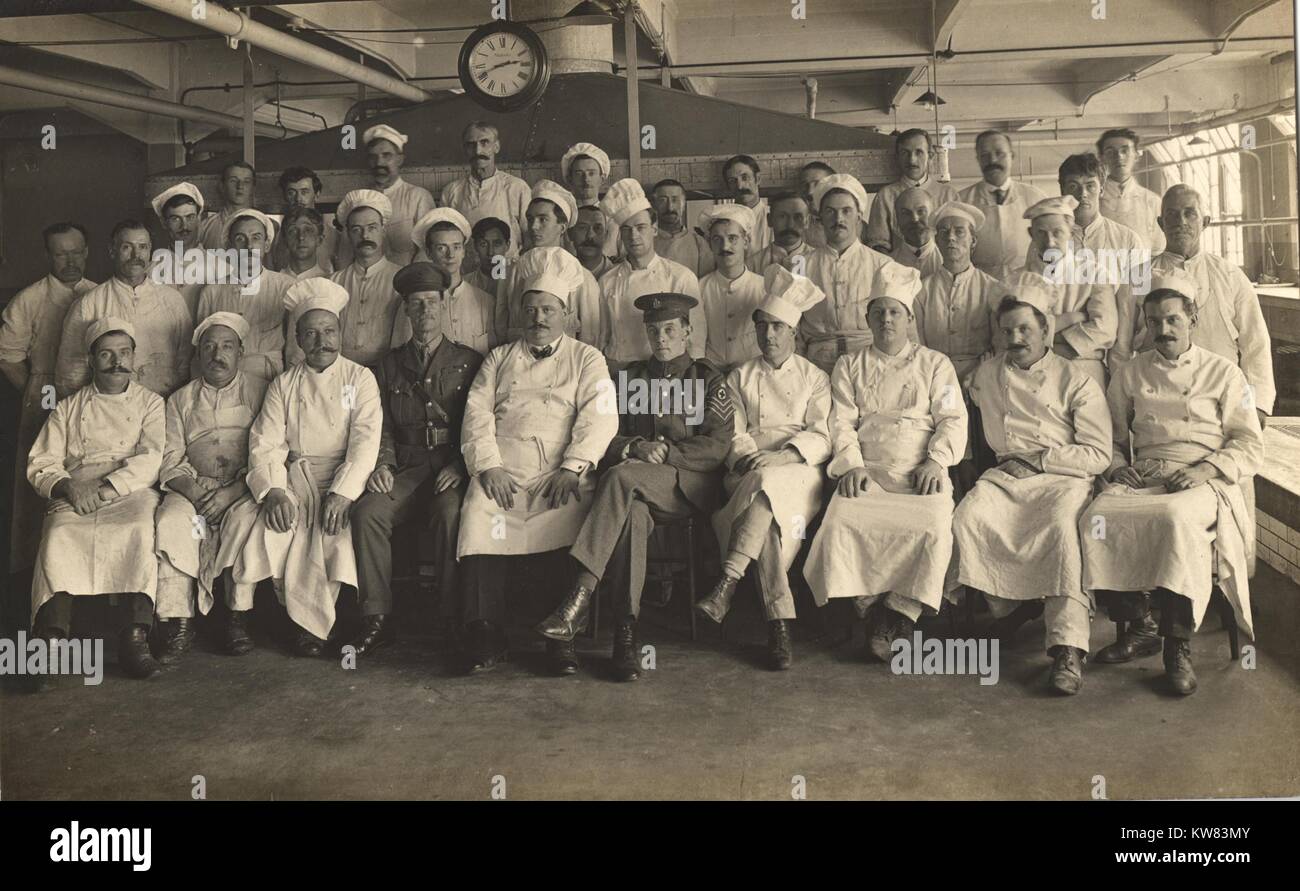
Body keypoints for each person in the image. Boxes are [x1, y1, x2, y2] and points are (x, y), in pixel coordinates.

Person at [537, 293, 733, 681]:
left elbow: (717, 446)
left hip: (687, 488)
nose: (661, 338)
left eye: (670, 330)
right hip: (636, 490)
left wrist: (667, 452)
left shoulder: (708, 379)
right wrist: (633, 446)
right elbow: (603, 435)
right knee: (632, 517)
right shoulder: (629, 379)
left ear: (687, 332)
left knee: (620, 478)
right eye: (654, 330)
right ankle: (626, 637)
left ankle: (579, 596)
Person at [1081, 278, 1262, 695]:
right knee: (1096, 518)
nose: (1164, 329)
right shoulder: (1129, 372)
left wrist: (1207, 469)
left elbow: (1250, 442)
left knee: (1174, 518)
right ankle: (1141, 623)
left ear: (1192, 319)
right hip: (1146, 471)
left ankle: (1176, 645)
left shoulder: (1224, 372)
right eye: (1154, 321)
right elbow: (1108, 435)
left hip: (1203, 476)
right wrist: (1120, 465)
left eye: (1173, 319)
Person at [457, 257, 619, 675]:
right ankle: (485, 632)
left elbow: (599, 416)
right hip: (504, 471)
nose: (538, 318)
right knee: (478, 511)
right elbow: (476, 414)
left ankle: (560, 639)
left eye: (548, 310)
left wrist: (574, 466)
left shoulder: (588, 359)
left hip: (559, 470)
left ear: (566, 314)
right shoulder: (498, 358)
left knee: (570, 512)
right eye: (530, 310)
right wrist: (488, 467)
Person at [953, 285, 1111, 695]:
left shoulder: (1077, 380)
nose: (1015, 339)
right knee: (968, 518)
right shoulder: (986, 375)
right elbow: (959, 411)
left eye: (1025, 329)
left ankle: (1067, 647)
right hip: (1006, 476)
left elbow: (1097, 455)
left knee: (1061, 532)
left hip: (1062, 477)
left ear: (1045, 330)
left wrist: (1041, 460)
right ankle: (1013, 604)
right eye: (1007, 331)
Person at [804, 264, 966, 659]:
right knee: (841, 523)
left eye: (894, 311)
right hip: (869, 471)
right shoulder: (849, 365)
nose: (886, 319)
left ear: (910, 318)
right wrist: (853, 465)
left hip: (919, 472)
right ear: (867, 319)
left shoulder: (935, 364)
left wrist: (936, 461)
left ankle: (899, 612)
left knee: (933, 528)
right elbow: (841, 422)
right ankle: (868, 603)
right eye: (878, 312)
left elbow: (952, 419)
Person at [216, 278, 382, 656]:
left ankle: (312, 627)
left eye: (328, 331)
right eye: (311, 333)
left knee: (331, 535)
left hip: (342, 477)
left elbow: (365, 441)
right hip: (294, 477)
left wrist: (342, 493)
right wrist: (274, 491)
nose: (321, 341)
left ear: (340, 333)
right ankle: (238, 617)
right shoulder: (284, 385)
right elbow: (266, 442)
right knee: (262, 525)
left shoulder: (360, 379)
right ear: (298, 340)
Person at [697, 267, 832, 669]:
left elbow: (823, 435)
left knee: (767, 485)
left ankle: (728, 581)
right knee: (766, 506)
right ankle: (779, 624)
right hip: (748, 465)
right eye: (762, 327)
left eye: (777, 328)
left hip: (800, 471)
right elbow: (731, 433)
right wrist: (751, 457)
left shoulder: (815, 378)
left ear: (793, 332)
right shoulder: (739, 376)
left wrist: (786, 454)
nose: (768, 336)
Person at [349, 263, 484, 658]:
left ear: (443, 307)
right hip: (405, 468)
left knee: (450, 515)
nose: (425, 312)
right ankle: (378, 617)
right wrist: (384, 465)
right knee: (368, 512)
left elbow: (478, 424)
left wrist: (461, 466)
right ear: (406, 311)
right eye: (416, 305)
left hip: (449, 468)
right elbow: (381, 425)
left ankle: (449, 618)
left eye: (431, 303)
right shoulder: (387, 366)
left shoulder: (469, 362)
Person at [27, 317, 166, 680]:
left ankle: (134, 638)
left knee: (139, 531)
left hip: (128, 490)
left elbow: (151, 459)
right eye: (106, 354)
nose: (116, 361)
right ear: (91, 360)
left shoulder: (151, 403)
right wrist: (69, 487)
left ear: (134, 357)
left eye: (123, 353)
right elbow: (41, 461)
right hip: (77, 489)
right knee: (58, 535)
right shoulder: (68, 407)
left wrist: (107, 489)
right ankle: (51, 640)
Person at [153, 312, 268, 661]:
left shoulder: (261, 390)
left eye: (227, 347)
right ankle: (178, 620)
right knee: (173, 522)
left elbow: (270, 448)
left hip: (242, 487)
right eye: (209, 347)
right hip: (193, 490)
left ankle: (237, 617)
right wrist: (195, 492)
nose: (218, 355)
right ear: (199, 354)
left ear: (241, 352)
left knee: (247, 520)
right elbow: (169, 456)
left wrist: (231, 492)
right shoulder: (180, 400)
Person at [0, 221, 96, 573]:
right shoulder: (29, 298)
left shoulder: (98, 293)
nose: (70, 261)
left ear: (86, 252)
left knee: (84, 474)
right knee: (41, 476)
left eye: (76, 252)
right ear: (48, 256)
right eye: (61, 254)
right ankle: (31, 567)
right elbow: (8, 355)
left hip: (90, 395)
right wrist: (38, 391)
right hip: (45, 391)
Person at [55, 219, 193, 399]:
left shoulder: (173, 300)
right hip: (108, 411)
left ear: (150, 250)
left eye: (142, 247)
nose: (136, 254)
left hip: (163, 406)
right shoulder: (89, 304)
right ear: (112, 251)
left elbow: (186, 363)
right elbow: (70, 375)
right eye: (127, 247)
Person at [800, 173, 912, 373]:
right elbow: (792, 328)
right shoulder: (801, 266)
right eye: (830, 211)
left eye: (846, 211)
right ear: (820, 218)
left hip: (869, 361)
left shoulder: (883, 264)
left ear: (859, 216)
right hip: (816, 364)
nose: (838, 219)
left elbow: (903, 327)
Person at [1002, 195, 1117, 388]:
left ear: (1071, 232)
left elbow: (1104, 330)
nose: (1050, 241)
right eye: (1041, 233)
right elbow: (1006, 336)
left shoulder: (1095, 273)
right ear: (1031, 234)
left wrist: (1040, 340)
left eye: (1058, 233)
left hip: (1084, 370)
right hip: (1029, 374)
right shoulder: (1014, 282)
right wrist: (1074, 319)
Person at [599, 178, 706, 366]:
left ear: (654, 229)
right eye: (627, 230)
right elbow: (601, 335)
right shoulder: (607, 281)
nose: (634, 236)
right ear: (620, 235)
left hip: (665, 372)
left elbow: (696, 337)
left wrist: (691, 375)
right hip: (619, 370)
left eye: (641, 228)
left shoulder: (680, 276)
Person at [194, 208, 296, 381]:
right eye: (240, 239)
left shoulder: (286, 287)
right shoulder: (212, 292)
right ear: (229, 246)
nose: (249, 246)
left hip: (271, 378)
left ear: (266, 244)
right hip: (222, 379)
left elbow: (295, 350)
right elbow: (201, 349)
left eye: (256, 238)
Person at [497, 181, 603, 346]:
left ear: (562, 226)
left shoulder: (582, 277)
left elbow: (591, 336)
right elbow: (501, 325)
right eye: (530, 219)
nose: (533, 226)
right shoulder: (511, 271)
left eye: (543, 219)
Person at [319, 189, 403, 368]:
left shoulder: (401, 279)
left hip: (387, 372)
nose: (365, 236)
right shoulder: (333, 283)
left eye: (372, 228)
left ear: (384, 230)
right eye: (357, 229)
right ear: (348, 234)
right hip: (343, 372)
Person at [957, 130, 1049, 278]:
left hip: (1026, 286)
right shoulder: (961, 201)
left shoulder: (1036, 198)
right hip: (979, 287)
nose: (992, 160)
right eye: (985, 155)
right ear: (978, 159)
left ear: (1012, 156)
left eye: (1000, 153)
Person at [408, 209, 497, 354]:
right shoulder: (417, 303)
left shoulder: (486, 301)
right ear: (429, 253)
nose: (450, 255)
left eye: (456, 247)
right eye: (441, 248)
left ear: (463, 252)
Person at [441, 122, 531, 263]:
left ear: (496, 146)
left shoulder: (517, 187)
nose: (477, 151)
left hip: (504, 269)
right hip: (467, 269)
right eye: (471, 145)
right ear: (465, 149)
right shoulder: (452, 191)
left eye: (484, 143)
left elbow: (529, 236)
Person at [866, 129, 958, 253]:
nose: (912, 160)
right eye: (905, 153)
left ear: (930, 156)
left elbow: (958, 240)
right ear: (897, 156)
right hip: (899, 268)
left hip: (939, 269)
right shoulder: (885, 196)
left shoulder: (949, 195)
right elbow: (878, 244)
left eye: (919, 152)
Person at [355, 125, 435, 266]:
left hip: (406, 282)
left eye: (387, 156)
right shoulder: (358, 200)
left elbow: (427, 251)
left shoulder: (418, 197)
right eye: (373, 157)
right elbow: (346, 252)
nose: (379, 163)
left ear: (400, 159)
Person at [698, 204, 765, 371]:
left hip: (753, 373)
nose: (725, 246)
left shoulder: (764, 287)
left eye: (732, 238)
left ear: (746, 241)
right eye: (717, 239)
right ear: (709, 244)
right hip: (711, 373)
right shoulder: (699, 287)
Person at [1097, 128, 1166, 256]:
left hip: (1141, 272)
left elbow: (1158, 249)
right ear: (1101, 158)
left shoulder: (1152, 201)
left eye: (1125, 150)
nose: (1119, 156)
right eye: (1110, 152)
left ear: (1136, 155)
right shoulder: (1093, 201)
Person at [149, 182, 207, 317]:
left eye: (190, 217)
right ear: (164, 222)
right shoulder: (151, 271)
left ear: (199, 219)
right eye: (175, 219)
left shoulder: (219, 269)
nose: (184, 226)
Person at [267, 166, 338, 274]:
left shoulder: (334, 236)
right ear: (285, 196)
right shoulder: (276, 237)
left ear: (317, 194)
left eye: (304, 192)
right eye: (292, 192)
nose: (298, 199)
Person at [561, 141, 621, 260]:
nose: (586, 179)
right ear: (569, 179)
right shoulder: (562, 217)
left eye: (591, 173)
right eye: (579, 173)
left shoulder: (614, 219)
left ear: (602, 178)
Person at [652, 178, 715, 278]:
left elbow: (705, 284)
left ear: (683, 204)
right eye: (662, 200)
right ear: (654, 205)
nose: (670, 207)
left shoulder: (699, 243)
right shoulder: (645, 241)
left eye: (675, 200)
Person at [746, 191, 818, 275]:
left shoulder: (819, 262)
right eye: (782, 216)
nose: (790, 225)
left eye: (797, 217)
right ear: (769, 220)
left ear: (807, 222)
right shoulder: (752, 265)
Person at [196, 161, 256, 250]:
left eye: (246, 181)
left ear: (253, 188)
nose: (240, 186)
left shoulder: (268, 227)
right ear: (222, 186)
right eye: (233, 180)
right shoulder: (205, 228)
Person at [722, 154, 773, 254]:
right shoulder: (722, 220)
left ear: (757, 179)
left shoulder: (773, 216)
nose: (740, 186)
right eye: (732, 181)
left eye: (745, 177)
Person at [888, 187, 944, 278]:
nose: (914, 219)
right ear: (897, 219)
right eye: (906, 213)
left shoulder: (947, 261)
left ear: (933, 214)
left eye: (921, 211)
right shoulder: (889, 265)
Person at [278, 206, 332, 281]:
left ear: (319, 240)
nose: (301, 237)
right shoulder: (275, 282)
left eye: (308, 230)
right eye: (293, 231)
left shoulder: (329, 282)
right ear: (285, 240)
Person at [571, 204, 617, 280]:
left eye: (598, 228)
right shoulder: (560, 274)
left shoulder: (619, 275)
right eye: (583, 228)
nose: (590, 235)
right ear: (570, 234)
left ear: (606, 235)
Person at [798, 161, 835, 248]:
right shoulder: (798, 228)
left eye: (817, 184)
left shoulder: (857, 226)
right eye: (805, 185)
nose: (810, 191)